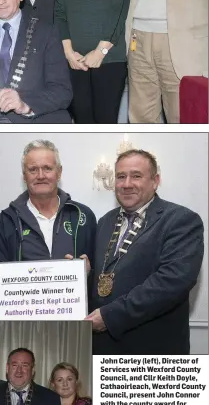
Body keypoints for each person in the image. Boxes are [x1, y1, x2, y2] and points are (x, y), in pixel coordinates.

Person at [87, 149, 204, 354]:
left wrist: (109, 316)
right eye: (121, 176)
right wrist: (83, 273)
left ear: (155, 180)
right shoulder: (105, 221)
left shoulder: (181, 220)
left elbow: (171, 282)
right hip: (103, 349)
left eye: (136, 176)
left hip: (153, 351)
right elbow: (105, 275)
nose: (127, 184)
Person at [0, 140, 96, 274]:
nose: (40, 176)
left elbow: (99, 272)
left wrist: (89, 274)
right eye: (33, 169)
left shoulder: (82, 216)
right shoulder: (6, 221)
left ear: (59, 172)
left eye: (47, 168)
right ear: (24, 176)